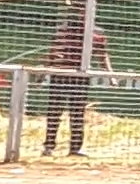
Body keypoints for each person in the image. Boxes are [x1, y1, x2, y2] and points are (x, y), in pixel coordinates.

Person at [42, 12, 113, 158]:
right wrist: (45, 71)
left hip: (80, 77)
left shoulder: (97, 33)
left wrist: (110, 74)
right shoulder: (63, 31)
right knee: (54, 112)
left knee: (77, 114)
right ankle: (49, 146)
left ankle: (75, 148)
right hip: (60, 75)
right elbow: (52, 52)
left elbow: (102, 54)